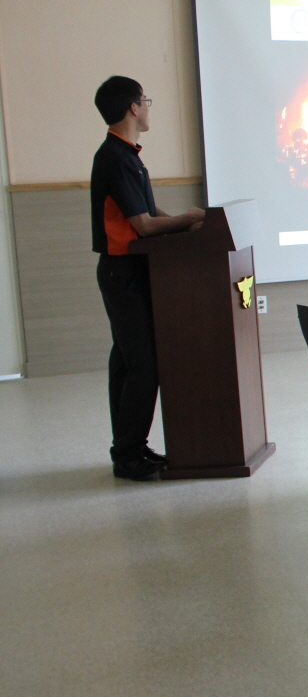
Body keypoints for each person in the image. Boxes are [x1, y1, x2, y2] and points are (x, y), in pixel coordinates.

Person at [90, 76, 204, 481]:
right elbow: (143, 225)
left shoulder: (127, 154)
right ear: (133, 107)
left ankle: (130, 448)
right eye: (145, 101)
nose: (148, 107)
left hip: (131, 270)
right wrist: (189, 219)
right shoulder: (115, 157)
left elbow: (151, 212)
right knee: (143, 365)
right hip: (122, 271)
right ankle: (128, 454)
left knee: (127, 362)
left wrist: (187, 223)